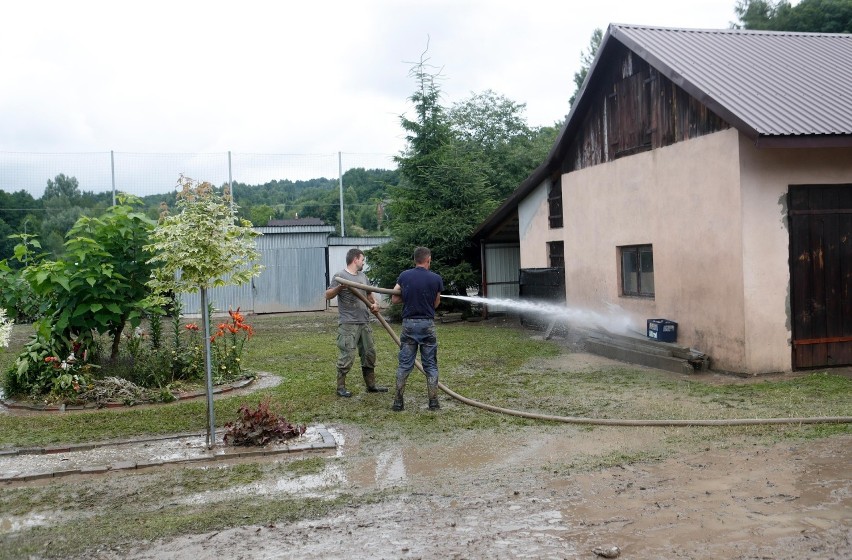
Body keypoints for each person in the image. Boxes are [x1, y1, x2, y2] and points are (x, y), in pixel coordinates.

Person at [325, 248, 387, 397]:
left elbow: (369, 294)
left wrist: (375, 304)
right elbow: (327, 295)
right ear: (355, 259)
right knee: (347, 355)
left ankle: (371, 385)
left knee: (369, 353)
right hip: (348, 324)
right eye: (362, 259)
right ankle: (341, 387)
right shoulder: (340, 276)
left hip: (364, 322)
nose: (363, 262)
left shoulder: (363, 277)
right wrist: (340, 287)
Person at [390, 246, 444, 411]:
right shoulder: (436, 278)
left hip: (409, 325)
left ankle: (398, 402)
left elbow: (394, 298)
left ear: (415, 260)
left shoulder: (404, 276)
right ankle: (433, 402)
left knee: (404, 365)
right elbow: (436, 302)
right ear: (428, 260)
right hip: (427, 325)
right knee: (431, 365)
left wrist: (407, 296)